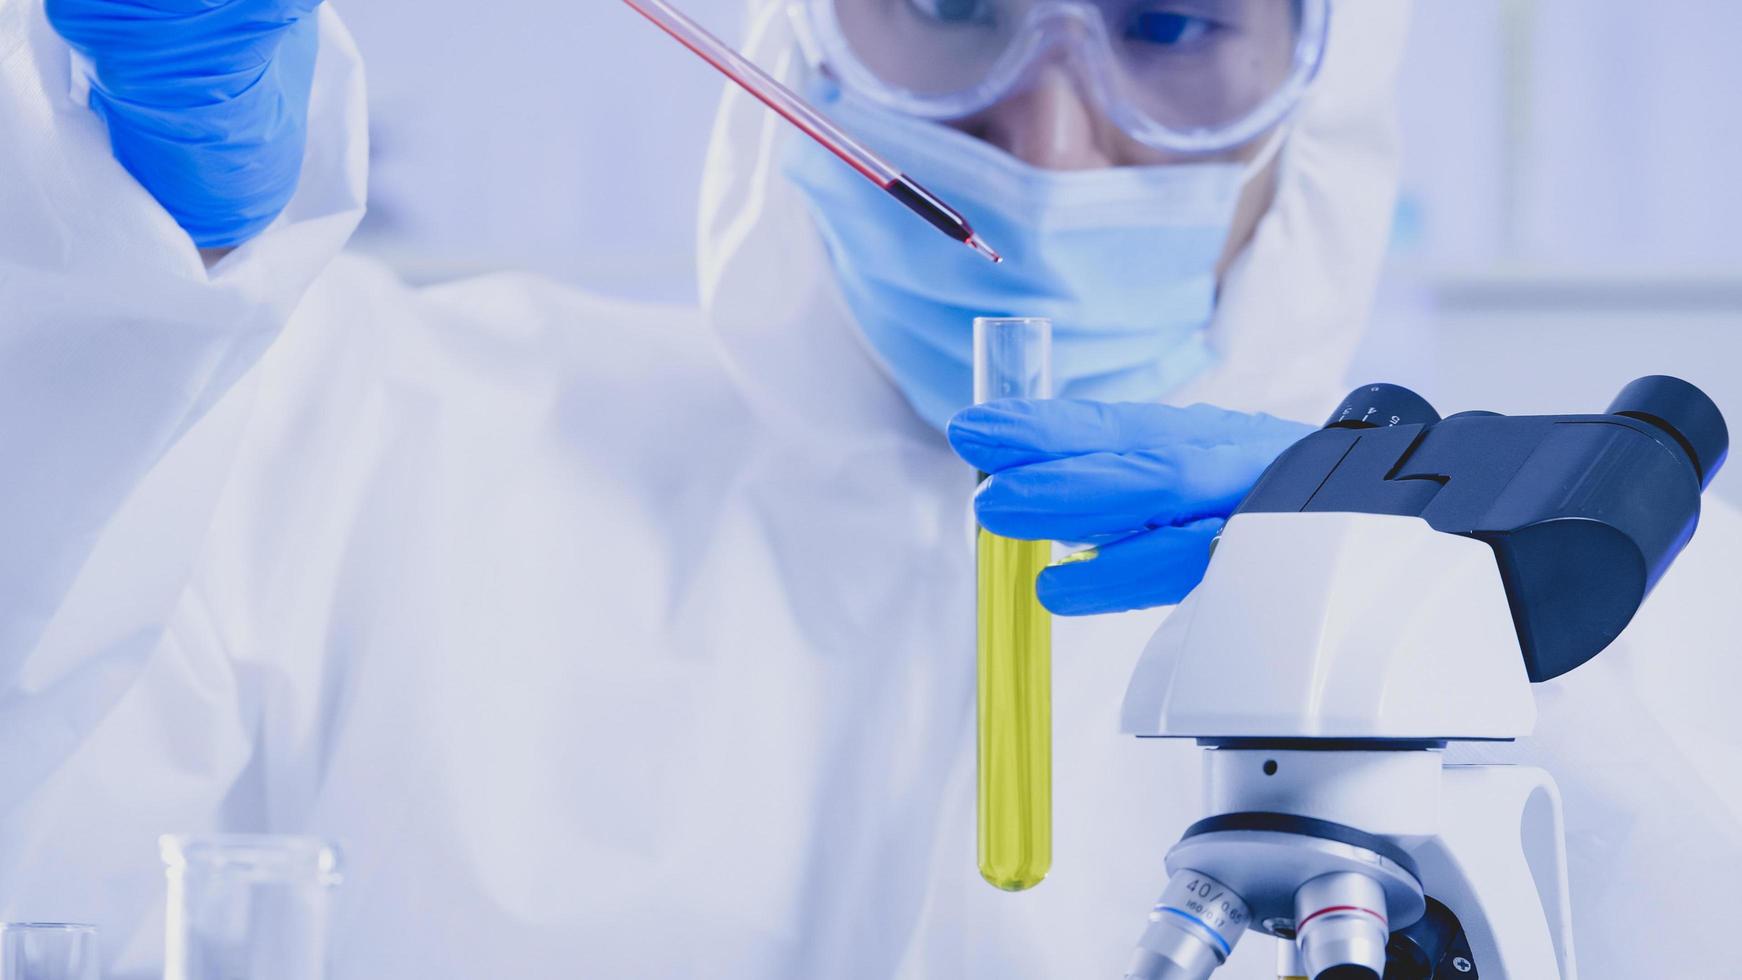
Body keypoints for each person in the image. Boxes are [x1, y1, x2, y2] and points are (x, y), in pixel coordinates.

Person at [0, 2, 1734, 979]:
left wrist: (1446, 644)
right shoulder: (352, 438)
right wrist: (114, 290)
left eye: (1170, 25)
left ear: (1327, 80)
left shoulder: (1552, 588)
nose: (1047, 147)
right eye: (955, 8)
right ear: (790, 38)